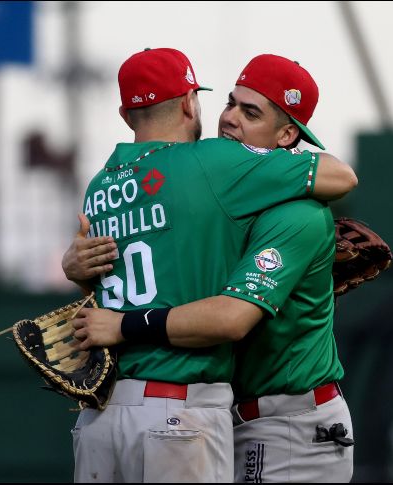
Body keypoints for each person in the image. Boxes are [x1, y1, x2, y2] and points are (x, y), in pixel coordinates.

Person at [67, 47, 357, 483]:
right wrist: (79, 270)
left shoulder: (296, 211)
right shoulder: (208, 181)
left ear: (285, 138)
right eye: (230, 102)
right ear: (191, 103)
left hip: (290, 423)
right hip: (220, 414)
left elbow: (231, 318)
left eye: (251, 112)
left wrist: (122, 325)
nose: (230, 118)